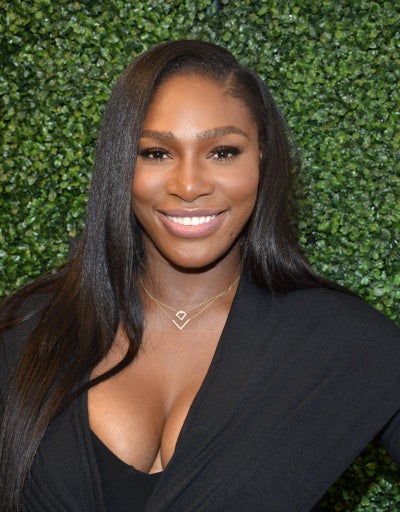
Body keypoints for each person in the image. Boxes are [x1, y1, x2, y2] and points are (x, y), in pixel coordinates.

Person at [0, 40, 399, 512]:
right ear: (120, 165)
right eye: (156, 153)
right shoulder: (28, 330)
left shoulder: (342, 343)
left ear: (262, 159)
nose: (188, 185)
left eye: (223, 152)